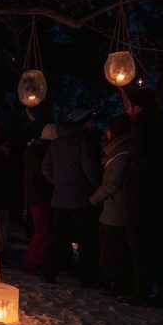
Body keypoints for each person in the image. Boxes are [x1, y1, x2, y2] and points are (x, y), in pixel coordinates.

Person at [125, 89, 163, 308]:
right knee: (161, 245)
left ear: (138, 107)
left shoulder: (142, 126)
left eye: (129, 106)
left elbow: (140, 160)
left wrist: (128, 176)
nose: (128, 110)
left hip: (144, 194)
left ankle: (142, 291)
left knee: (141, 244)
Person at [41, 109, 101, 286]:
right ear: (82, 123)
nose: (92, 125)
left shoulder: (56, 143)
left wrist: (60, 183)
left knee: (57, 236)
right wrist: (98, 187)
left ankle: (49, 271)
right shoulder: (85, 141)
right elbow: (91, 170)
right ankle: (88, 277)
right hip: (81, 198)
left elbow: (46, 168)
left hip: (59, 198)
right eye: (90, 121)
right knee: (87, 238)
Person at [90, 115, 133, 295]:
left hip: (115, 210)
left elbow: (112, 184)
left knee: (113, 249)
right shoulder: (117, 152)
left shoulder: (121, 154)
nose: (105, 134)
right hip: (114, 208)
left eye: (107, 130)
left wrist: (93, 199)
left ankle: (116, 283)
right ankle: (114, 281)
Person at [22, 124, 56, 274]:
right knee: (42, 230)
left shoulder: (35, 150)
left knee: (42, 230)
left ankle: (35, 262)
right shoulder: (38, 152)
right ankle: (33, 264)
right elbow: (43, 173)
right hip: (39, 196)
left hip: (37, 195)